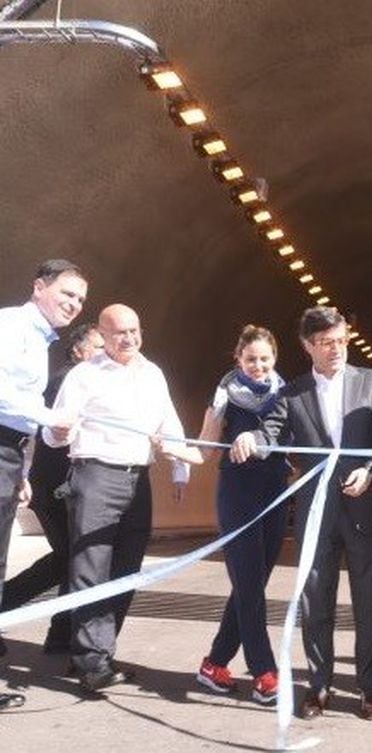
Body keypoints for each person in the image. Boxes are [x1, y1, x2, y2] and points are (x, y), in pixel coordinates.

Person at [230, 307, 372, 722]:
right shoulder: (292, 394)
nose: (337, 349)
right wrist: (252, 437)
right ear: (308, 346)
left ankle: (369, 688)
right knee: (315, 600)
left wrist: (371, 471)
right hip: (315, 513)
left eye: (342, 341)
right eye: (326, 343)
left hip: (367, 509)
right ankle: (319, 686)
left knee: (371, 603)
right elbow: (272, 433)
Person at [43, 303, 202, 693]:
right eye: (119, 333)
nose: (129, 338)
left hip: (138, 479)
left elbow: (168, 421)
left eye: (134, 330)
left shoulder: (152, 373)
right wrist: (58, 434)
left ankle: (96, 651)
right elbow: (53, 429)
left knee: (127, 570)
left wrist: (181, 467)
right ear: (102, 334)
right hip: (95, 475)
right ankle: (92, 661)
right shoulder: (84, 375)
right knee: (90, 569)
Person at [0, 259, 88, 710]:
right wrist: (52, 417)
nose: (73, 304)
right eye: (66, 294)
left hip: (11, 454)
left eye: (79, 299)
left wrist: (24, 469)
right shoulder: (12, 327)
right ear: (39, 287)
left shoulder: (40, 342)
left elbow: (24, 412)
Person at [194, 325, 290, 705]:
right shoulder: (224, 394)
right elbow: (205, 446)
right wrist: (173, 451)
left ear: (274, 358)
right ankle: (264, 671)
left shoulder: (286, 392)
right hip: (238, 494)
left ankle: (215, 664)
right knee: (249, 586)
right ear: (238, 359)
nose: (258, 366)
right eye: (250, 359)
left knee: (251, 585)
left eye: (265, 358)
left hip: (276, 492)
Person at [1, 322, 103, 654]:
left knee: (70, 559)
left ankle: (59, 633)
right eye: (97, 348)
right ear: (78, 350)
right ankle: (53, 629)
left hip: (59, 485)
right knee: (73, 558)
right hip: (55, 486)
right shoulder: (67, 380)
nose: (104, 355)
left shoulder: (81, 379)